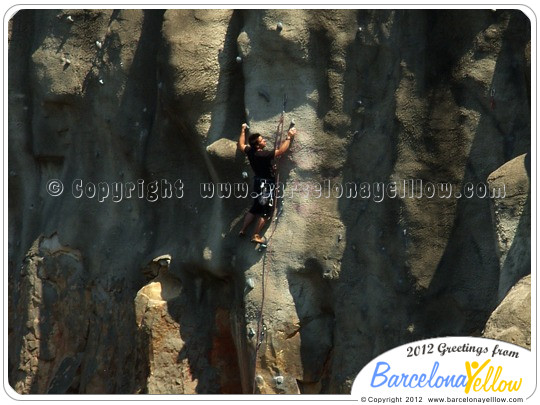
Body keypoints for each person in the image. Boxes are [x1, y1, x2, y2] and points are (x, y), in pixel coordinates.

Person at [237, 122, 297, 243]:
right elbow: (280, 151)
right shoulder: (263, 154)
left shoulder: (250, 151)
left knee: (255, 208)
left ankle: (243, 229)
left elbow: (241, 145)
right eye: (262, 140)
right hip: (266, 185)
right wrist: (289, 136)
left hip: (258, 182)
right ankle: (255, 235)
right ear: (258, 145)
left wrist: (243, 130)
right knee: (266, 212)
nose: (264, 141)